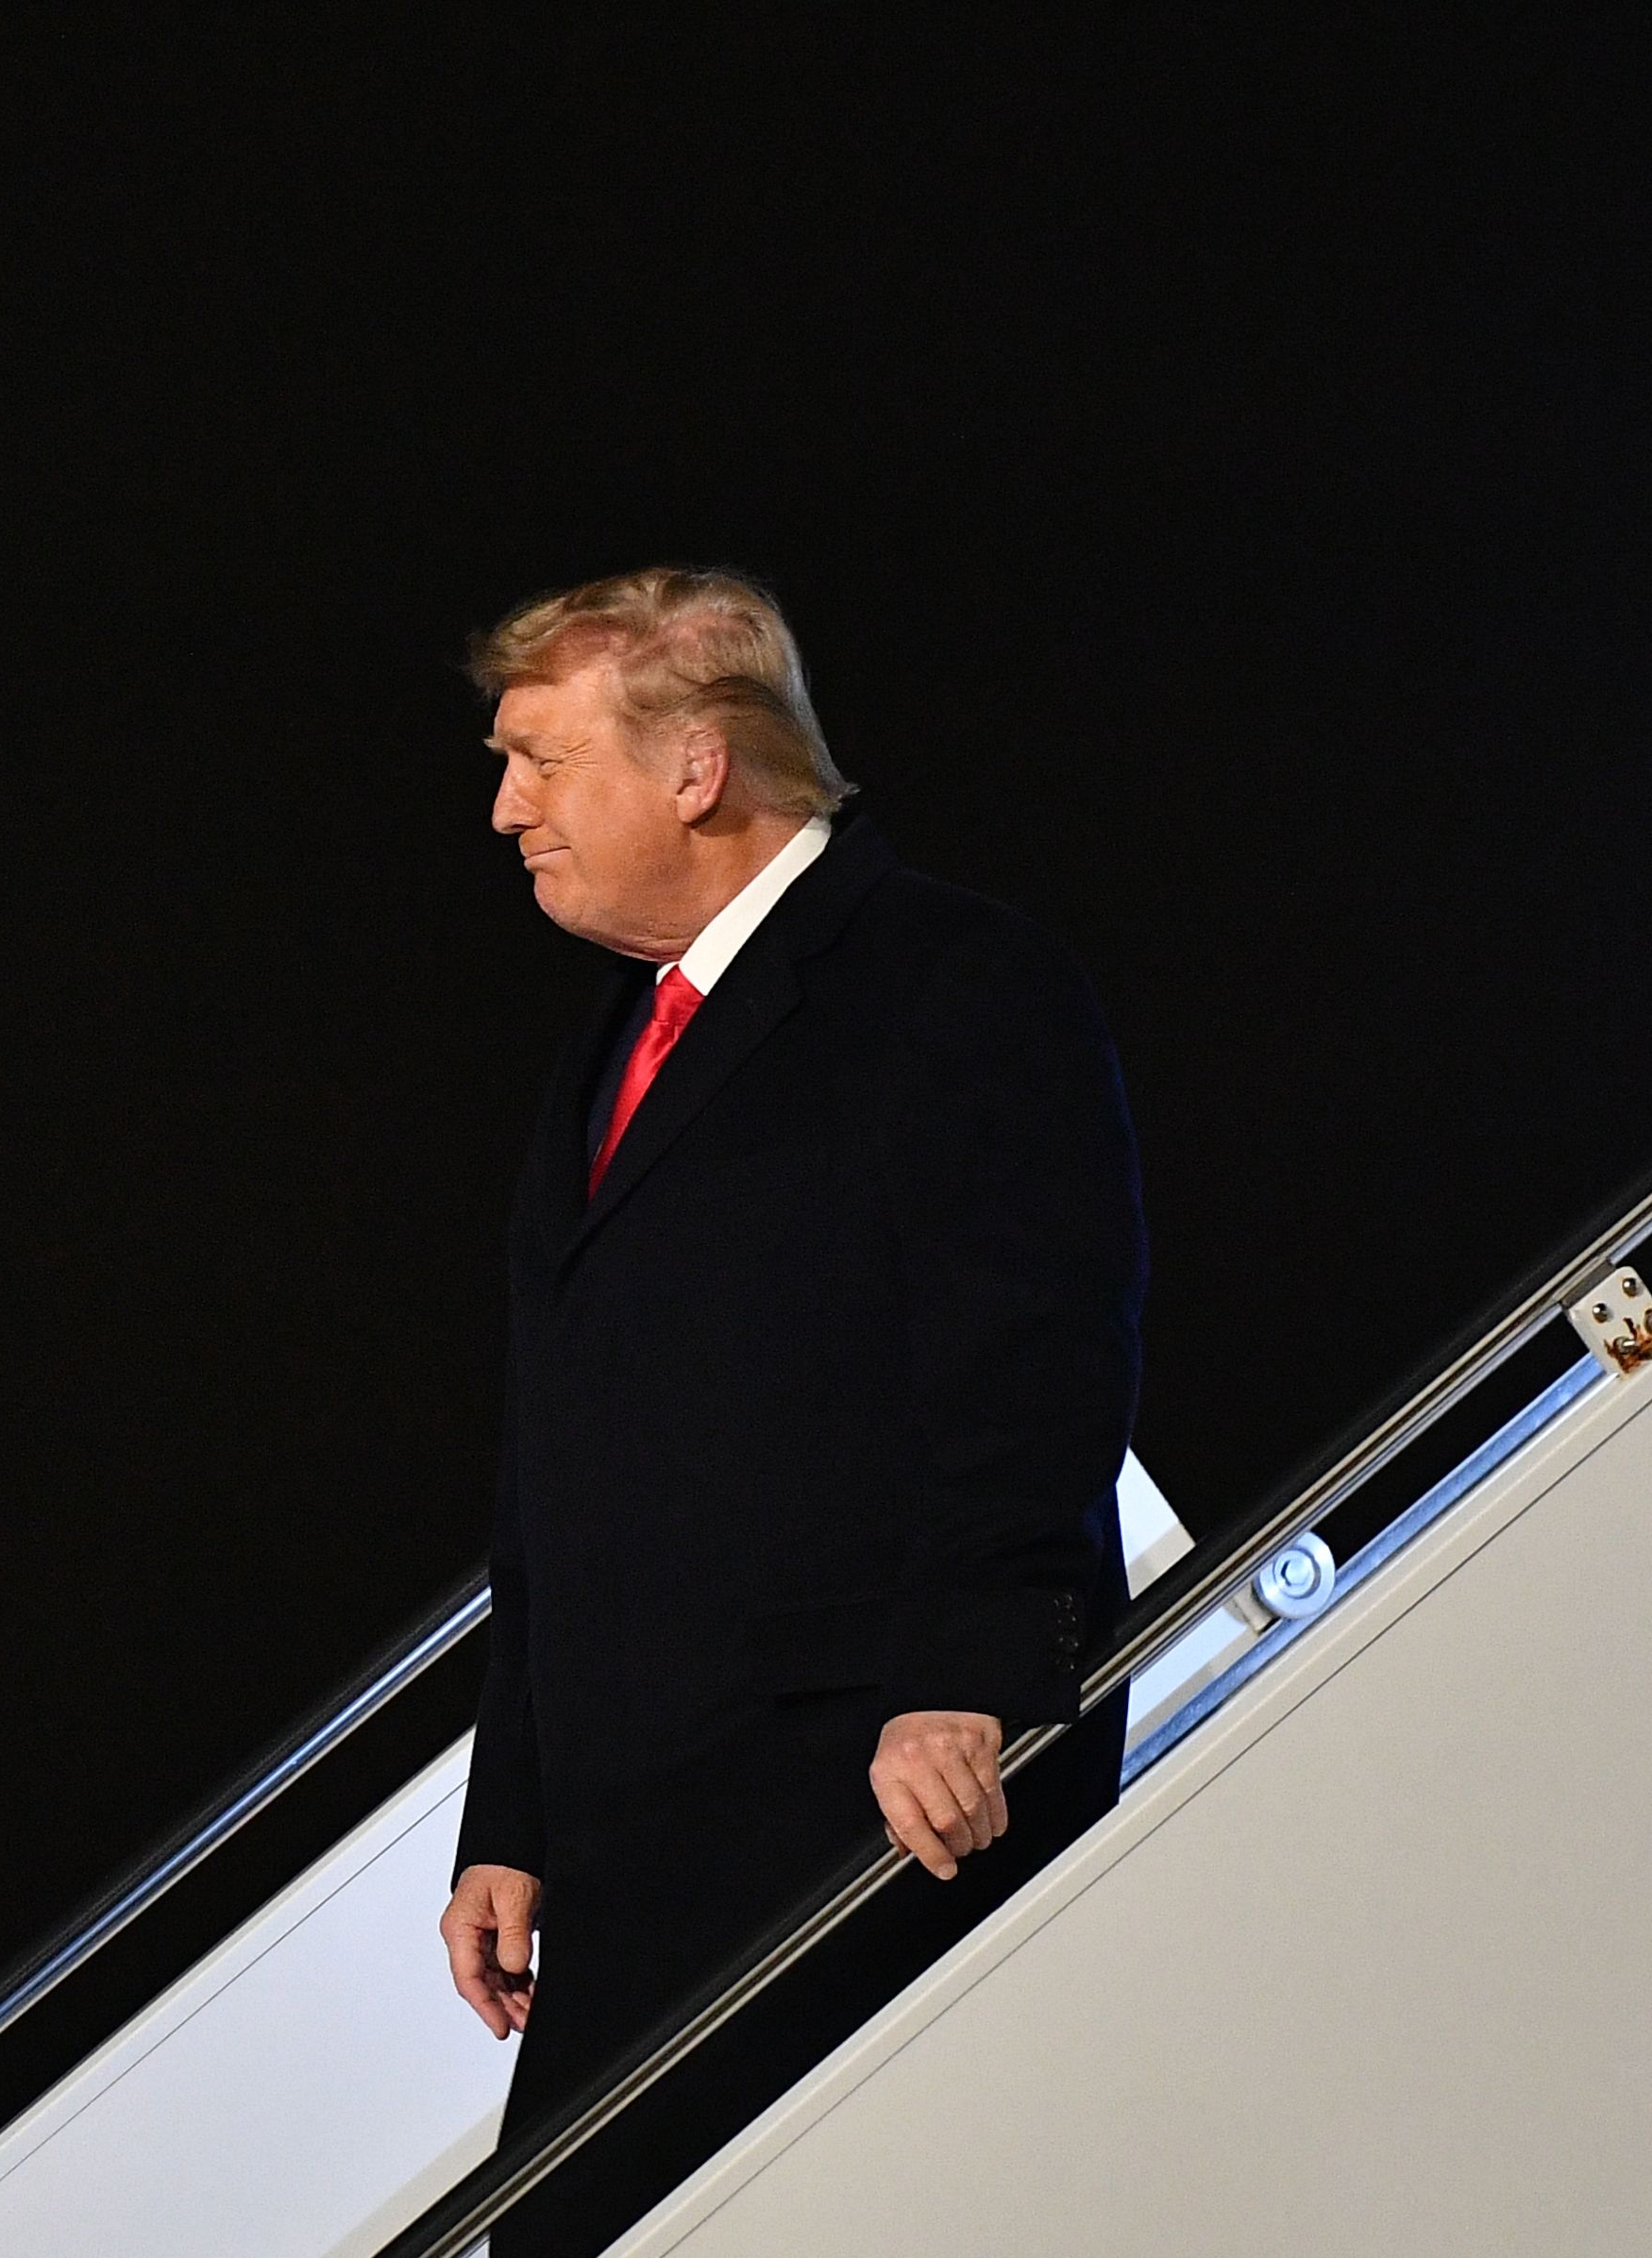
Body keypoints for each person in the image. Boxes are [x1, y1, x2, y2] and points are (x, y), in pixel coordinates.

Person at [436, 567, 1144, 2257]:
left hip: (875, 1793)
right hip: (640, 1830)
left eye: (539, 760)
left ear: (694, 771)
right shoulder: (620, 1040)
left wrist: (972, 1681)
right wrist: (514, 1810)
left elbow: (1035, 1359)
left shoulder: (950, 981)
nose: (503, 809)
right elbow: (560, 1454)